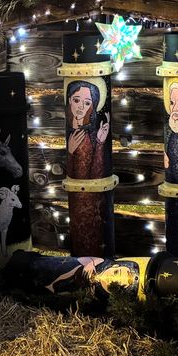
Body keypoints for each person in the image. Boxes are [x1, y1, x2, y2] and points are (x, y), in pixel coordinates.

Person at [65, 79, 110, 255]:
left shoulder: (88, 134)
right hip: (76, 199)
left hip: (91, 200)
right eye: (76, 100)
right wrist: (70, 151)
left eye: (87, 102)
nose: (80, 107)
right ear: (69, 100)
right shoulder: (74, 132)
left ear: (93, 106)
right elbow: (74, 171)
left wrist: (99, 142)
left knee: (93, 242)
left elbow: (95, 172)